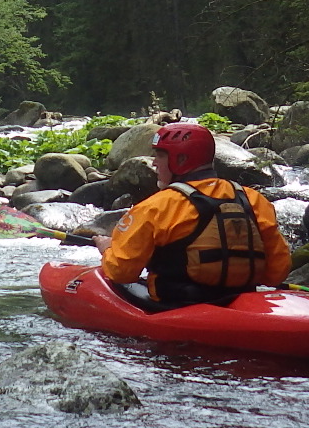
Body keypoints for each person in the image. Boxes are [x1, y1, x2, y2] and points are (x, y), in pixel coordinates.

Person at [91, 121, 292, 307]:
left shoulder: (155, 207)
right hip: (241, 301)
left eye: (160, 155)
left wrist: (108, 249)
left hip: (177, 306)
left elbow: (121, 272)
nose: (154, 163)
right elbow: (276, 273)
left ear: (181, 159)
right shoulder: (254, 200)